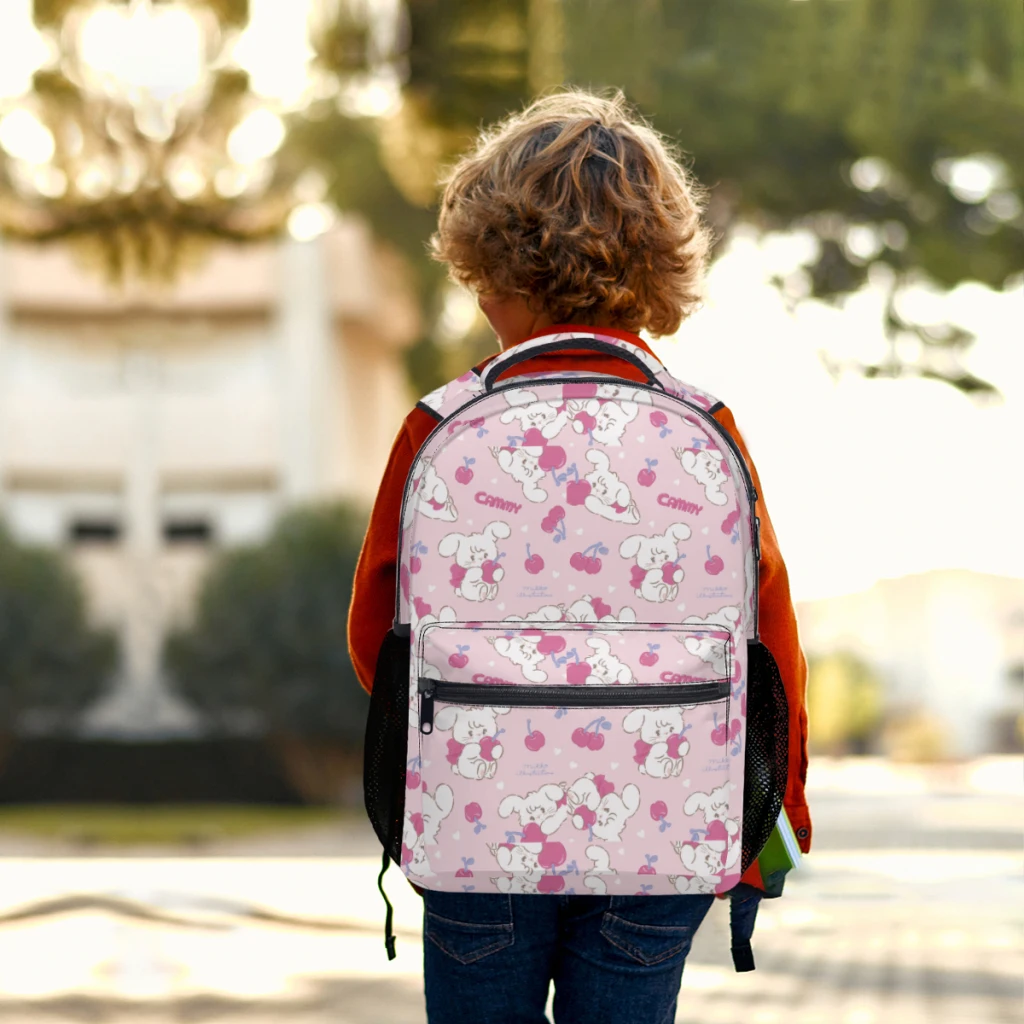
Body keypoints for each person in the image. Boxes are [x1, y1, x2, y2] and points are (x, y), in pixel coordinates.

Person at [349, 88, 810, 1024]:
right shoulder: (706, 427)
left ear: (490, 269)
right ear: (660, 268)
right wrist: (778, 814)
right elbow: (770, 641)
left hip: (480, 831)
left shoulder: (441, 425)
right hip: (662, 831)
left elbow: (375, 639)